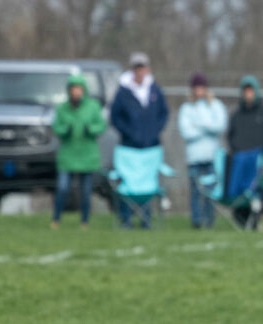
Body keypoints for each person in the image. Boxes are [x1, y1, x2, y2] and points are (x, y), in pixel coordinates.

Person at [109, 52, 169, 228]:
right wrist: (129, 133)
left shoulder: (155, 90)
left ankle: (146, 220)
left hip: (151, 146)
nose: (140, 72)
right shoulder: (123, 92)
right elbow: (115, 117)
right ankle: (126, 219)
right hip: (129, 147)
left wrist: (154, 131)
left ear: (147, 69)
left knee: (146, 182)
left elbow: (163, 114)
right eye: (136, 68)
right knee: (129, 183)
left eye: (142, 68)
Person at [50, 73, 105, 230]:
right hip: (68, 154)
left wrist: (90, 129)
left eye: (78, 89)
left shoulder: (93, 106)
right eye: (73, 89)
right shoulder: (63, 108)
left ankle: (85, 221)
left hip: (87, 154)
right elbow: (56, 127)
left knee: (86, 190)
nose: (76, 92)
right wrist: (64, 131)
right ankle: (56, 219)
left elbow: (101, 125)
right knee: (62, 188)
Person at [177, 73, 227, 229]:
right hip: (194, 157)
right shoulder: (186, 108)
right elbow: (186, 132)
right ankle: (196, 221)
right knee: (196, 192)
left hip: (211, 156)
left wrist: (199, 125)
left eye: (202, 88)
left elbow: (220, 126)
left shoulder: (215, 105)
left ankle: (209, 221)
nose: (199, 91)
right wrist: (207, 127)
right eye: (196, 88)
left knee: (210, 192)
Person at [227, 75, 263, 219]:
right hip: (241, 160)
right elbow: (230, 136)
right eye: (246, 91)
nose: (248, 94)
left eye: (251, 91)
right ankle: (241, 214)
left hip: (261, 159)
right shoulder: (236, 115)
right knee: (239, 187)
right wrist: (238, 150)